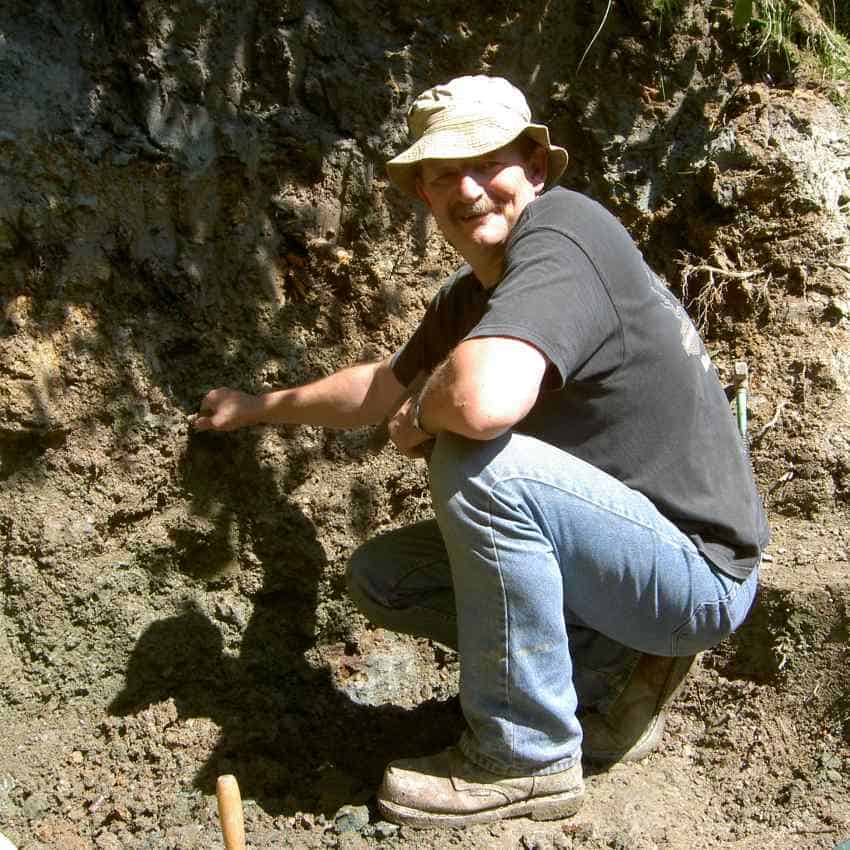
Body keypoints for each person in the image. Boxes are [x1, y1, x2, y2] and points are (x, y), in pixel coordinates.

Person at [195, 75, 769, 829]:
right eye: (441, 175)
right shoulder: (471, 296)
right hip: (622, 558)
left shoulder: (566, 232)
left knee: (477, 460)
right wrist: (258, 408)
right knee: (385, 580)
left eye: (484, 162)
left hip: (695, 573)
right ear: (425, 198)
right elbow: (379, 388)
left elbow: (477, 401)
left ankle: (527, 756)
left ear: (533, 166)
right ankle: (610, 674)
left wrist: (422, 422)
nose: (465, 189)